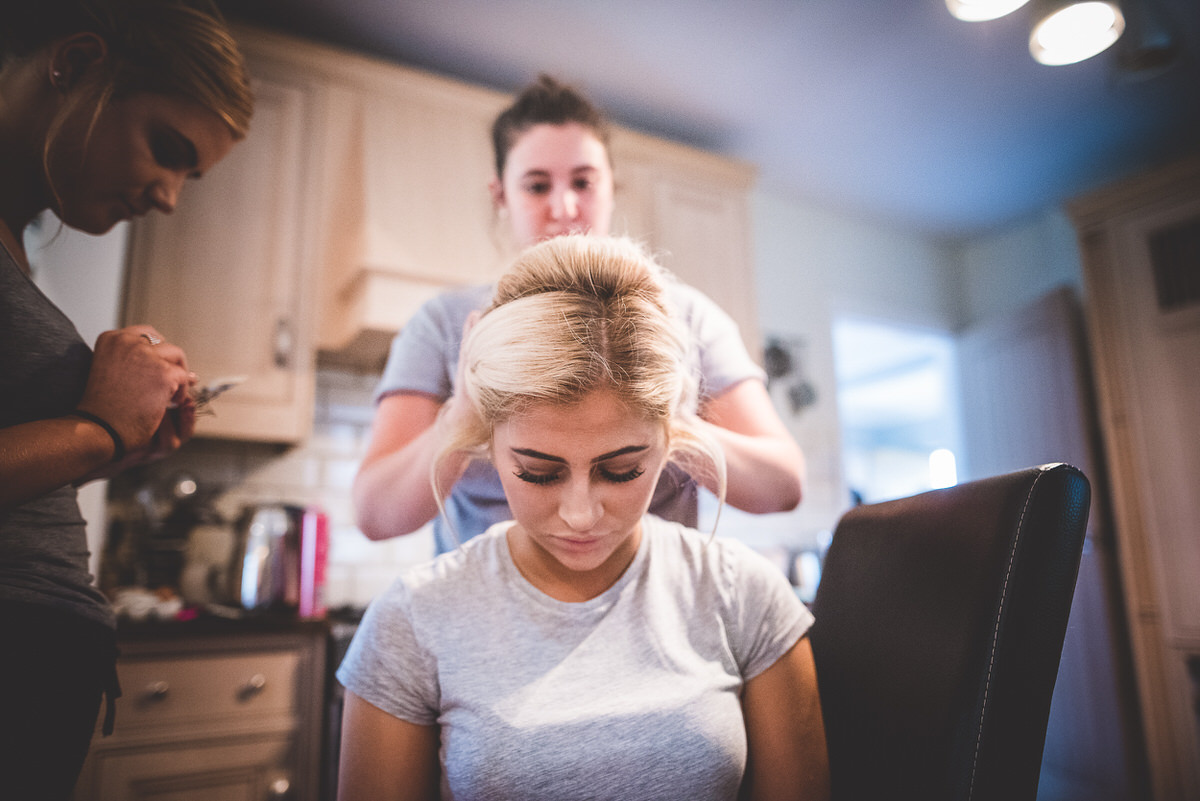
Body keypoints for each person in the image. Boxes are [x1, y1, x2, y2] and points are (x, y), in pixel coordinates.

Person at [337, 234, 829, 801]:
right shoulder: (411, 622)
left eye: (621, 470)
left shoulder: (748, 598)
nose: (579, 515)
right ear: (486, 441)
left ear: (673, 441)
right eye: (538, 473)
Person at [354, 75, 806, 553]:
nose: (565, 206)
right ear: (501, 195)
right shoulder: (444, 326)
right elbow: (375, 514)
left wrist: (676, 425)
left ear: (612, 187)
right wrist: (461, 419)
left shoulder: (687, 320)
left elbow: (783, 487)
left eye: (584, 182)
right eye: (537, 185)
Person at [0, 1, 253, 796]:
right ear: (74, 63)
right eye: (167, 149)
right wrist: (95, 430)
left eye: (191, 175)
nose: (171, 198)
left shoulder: (17, 235)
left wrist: (119, 443)